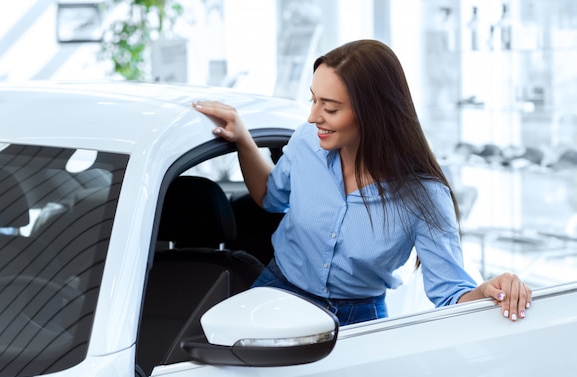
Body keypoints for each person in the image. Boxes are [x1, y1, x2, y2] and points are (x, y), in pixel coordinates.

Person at [193, 39, 532, 326]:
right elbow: (270, 196)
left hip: (358, 319)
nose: (313, 117)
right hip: (277, 292)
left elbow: (451, 294)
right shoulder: (306, 142)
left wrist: (489, 290)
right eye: (314, 100)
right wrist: (243, 139)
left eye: (330, 107)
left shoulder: (425, 197)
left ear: (373, 112)